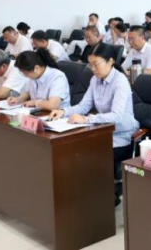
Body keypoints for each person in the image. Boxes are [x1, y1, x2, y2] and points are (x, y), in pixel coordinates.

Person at [48, 44, 139, 206]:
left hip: (121, 135)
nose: (93, 69)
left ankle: (104, 198)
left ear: (110, 61)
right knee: (73, 149)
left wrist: (86, 120)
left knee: (89, 153)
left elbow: (116, 116)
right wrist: (63, 111)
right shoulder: (95, 79)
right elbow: (84, 106)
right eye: (90, 65)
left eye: (96, 64)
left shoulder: (120, 82)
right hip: (100, 130)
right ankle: (85, 194)